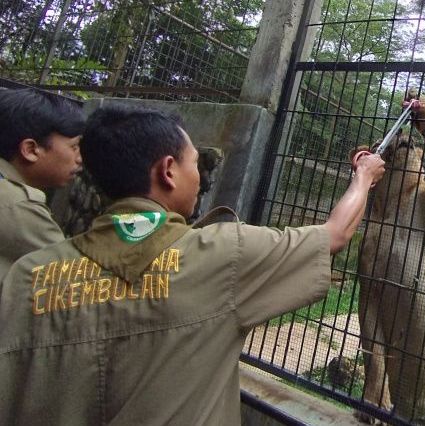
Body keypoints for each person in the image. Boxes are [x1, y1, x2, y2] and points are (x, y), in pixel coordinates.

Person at [0, 104, 385, 425]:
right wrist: (364, 177)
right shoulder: (223, 254)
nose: (199, 176)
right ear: (168, 170)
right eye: (194, 163)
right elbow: (334, 235)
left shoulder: (27, 275)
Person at [0, 88, 84, 280]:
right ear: (30, 149)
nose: (79, 158)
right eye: (74, 147)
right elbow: (74, 276)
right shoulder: (19, 206)